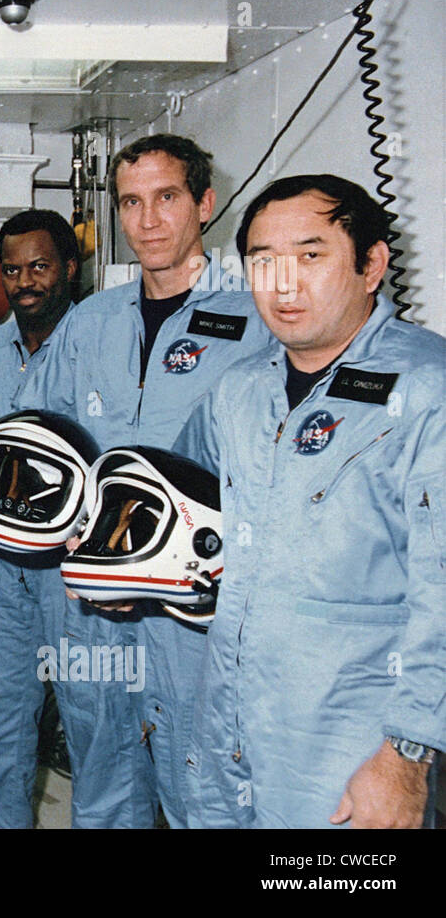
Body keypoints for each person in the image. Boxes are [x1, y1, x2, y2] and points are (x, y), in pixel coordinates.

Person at [16, 134, 275, 827]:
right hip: (94, 602)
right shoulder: (90, 323)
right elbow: (40, 435)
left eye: (167, 198)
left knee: (206, 793)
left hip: (195, 612)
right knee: (102, 787)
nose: (148, 220)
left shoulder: (259, 323)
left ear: (205, 205)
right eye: (131, 202)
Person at [176, 174, 445, 828]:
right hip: (227, 725)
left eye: (311, 255)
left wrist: (407, 754)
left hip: (351, 745)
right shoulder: (238, 392)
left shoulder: (427, 390)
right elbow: (179, 492)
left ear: (373, 263)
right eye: (263, 262)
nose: (283, 283)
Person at [0, 209, 132, 828]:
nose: (25, 281)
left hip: (81, 579)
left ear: (69, 267)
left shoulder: (108, 351)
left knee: (100, 735)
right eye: (12, 270)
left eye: (39, 266)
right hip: (5, 580)